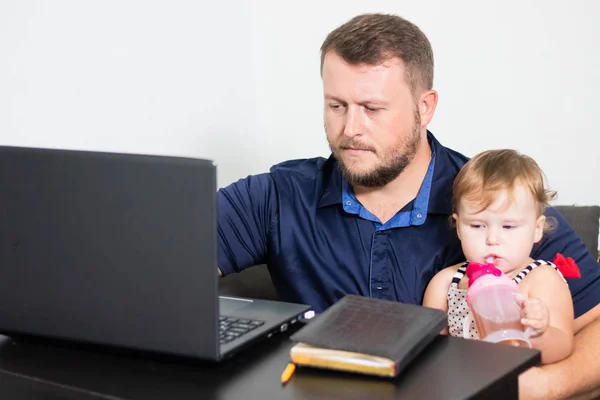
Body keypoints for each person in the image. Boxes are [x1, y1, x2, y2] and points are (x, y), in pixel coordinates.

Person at [217, 13, 600, 399]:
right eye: (337, 105)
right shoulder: (276, 196)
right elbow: (167, 261)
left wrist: (547, 386)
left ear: (426, 107)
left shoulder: (495, 206)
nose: (350, 128)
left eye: (372, 108)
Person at [423, 149, 574, 365]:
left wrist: (538, 331)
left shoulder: (541, 279)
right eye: (476, 225)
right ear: (458, 227)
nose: (492, 239)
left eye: (509, 226)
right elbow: (430, 352)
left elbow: (563, 347)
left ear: (536, 229)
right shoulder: (446, 283)